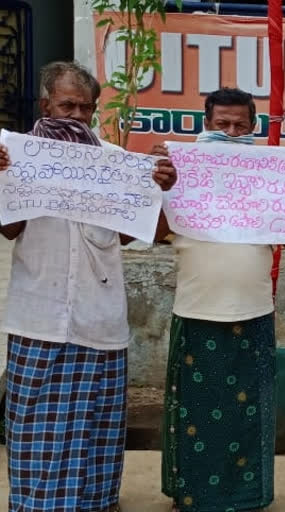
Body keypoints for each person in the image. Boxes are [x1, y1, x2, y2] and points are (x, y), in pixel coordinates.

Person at [0, 60, 176, 512]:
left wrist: (159, 190)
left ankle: (97, 503)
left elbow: (146, 233)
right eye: (66, 105)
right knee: (35, 429)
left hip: (99, 318)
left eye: (85, 108)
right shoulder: (16, 157)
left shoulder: (114, 162)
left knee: (96, 431)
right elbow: (10, 229)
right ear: (45, 104)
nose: (76, 116)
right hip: (38, 318)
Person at [157, 87, 280, 512]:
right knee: (194, 413)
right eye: (222, 124)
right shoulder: (177, 168)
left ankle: (247, 497)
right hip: (196, 309)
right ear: (206, 124)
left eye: (240, 126)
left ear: (253, 128)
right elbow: (155, 233)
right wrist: (160, 188)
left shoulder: (269, 173)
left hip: (254, 309)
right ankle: (189, 495)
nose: (230, 132)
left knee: (247, 414)